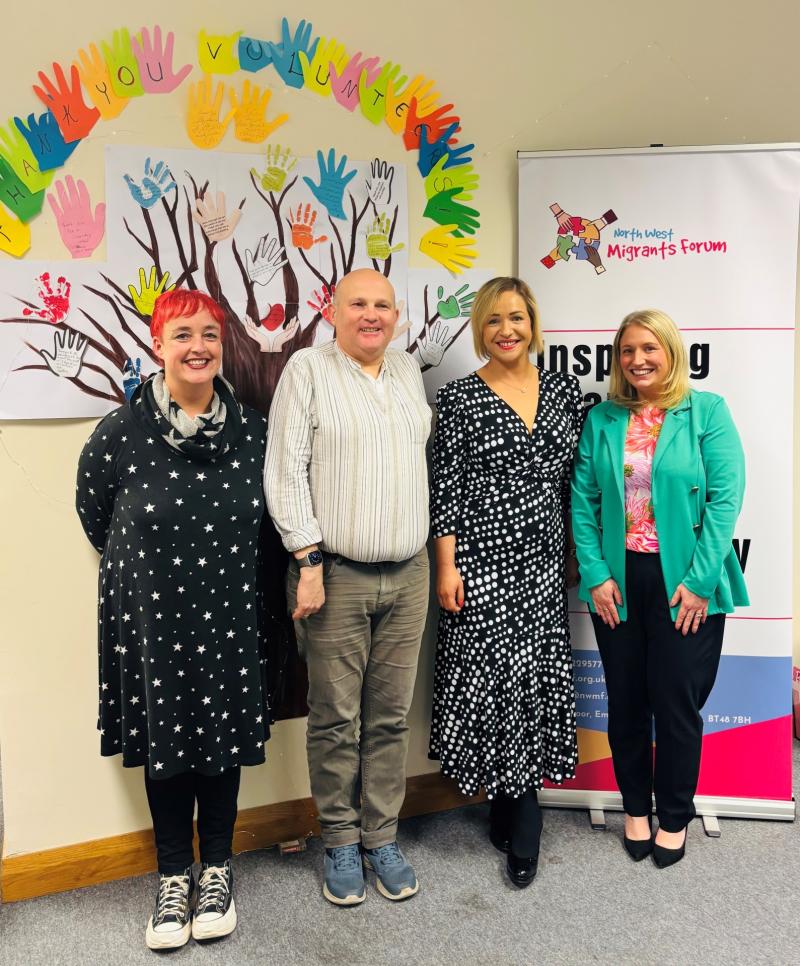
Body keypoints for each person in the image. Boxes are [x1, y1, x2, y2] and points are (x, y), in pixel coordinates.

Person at [76, 289, 271, 949]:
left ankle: (216, 868)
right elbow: (94, 517)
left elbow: (272, 521)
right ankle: (171, 876)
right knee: (167, 747)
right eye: (183, 334)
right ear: (158, 345)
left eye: (210, 335)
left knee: (220, 743)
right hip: (152, 619)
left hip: (229, 616)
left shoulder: (251, 432)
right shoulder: (121, 431)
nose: (198, 347)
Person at [264, 268, 431, 906]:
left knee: (389, 717)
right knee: (336, 718)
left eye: (382, 305)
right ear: (332, 310)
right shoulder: (308, 370)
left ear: (397, 316)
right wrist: (306, 560)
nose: (371, 315)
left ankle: (380, 836)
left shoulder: (408, 372)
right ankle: (338, 839)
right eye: (358, 303)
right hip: (332, 574)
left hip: (409, 572)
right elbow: (285, 470)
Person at [571, 309, 748, 868]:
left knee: (676, 706)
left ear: (670, 351)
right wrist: (596, 573)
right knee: (625, 703)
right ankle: (635, 809)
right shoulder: (601, 419)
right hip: (617, 583)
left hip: (684, 585)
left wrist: (698, 584)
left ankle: (674, 814)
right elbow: (583, 501)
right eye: (627, 350)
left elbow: (725, 498)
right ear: (617, 359)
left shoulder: (707, 412)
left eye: (649, 348)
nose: (638, 359)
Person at [429, 276, 582, 888]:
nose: (506, 330)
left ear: (532, 321)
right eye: (493, 320)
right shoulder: (462, 398)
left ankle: (514, 804)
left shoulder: (566, 390)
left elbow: (583, 480)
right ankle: (523, 816)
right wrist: (446, 566)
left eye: (516, 317)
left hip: (545, 562)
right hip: (481, 561)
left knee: (533, 676)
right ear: (480, 330)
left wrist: (580, 553)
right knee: (494, 680)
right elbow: (446, 489)